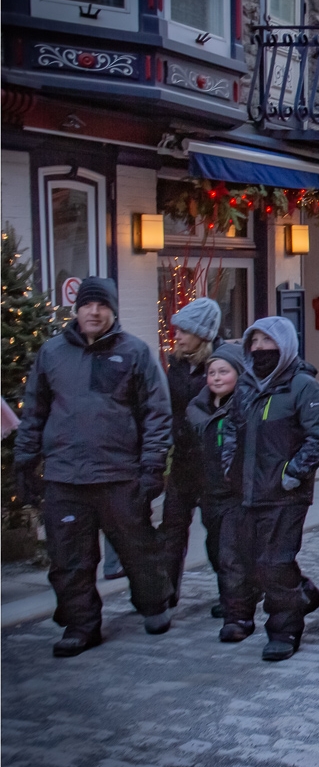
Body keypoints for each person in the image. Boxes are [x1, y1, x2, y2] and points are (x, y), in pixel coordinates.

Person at [13, 277, 175, 656]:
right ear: (77, 309)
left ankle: (153, 604)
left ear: (113, 310)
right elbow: (34, 410)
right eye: (88, 305)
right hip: (65, 477)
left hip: (118, 475)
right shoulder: (52, 354)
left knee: (139, 549)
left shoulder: (134, 353)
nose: (95, 312)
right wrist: (25, 459)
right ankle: (80, 625)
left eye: (102, 305)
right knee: (69, 558)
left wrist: (152, 466)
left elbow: (156, 413)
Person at [221, 317, 319, 661]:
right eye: (253, 342)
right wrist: (231, 464)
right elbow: (232, 428)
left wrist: (294, 472)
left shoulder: (302, 387)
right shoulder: (245, 386)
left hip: (286, 493)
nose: (259, 349)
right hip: (248, 490)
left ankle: (284, 630)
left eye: (266, 342)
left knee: (275, 562)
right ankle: (302, 594)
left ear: (283, 345)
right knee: (253, 562)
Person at [160, 297, 222, 614]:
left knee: (219, 533)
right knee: (171, 530)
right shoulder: (177, 365)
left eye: (184, 330)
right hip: (182, 463)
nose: (178, 335)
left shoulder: (222, 366)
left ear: (201, 333)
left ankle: (233, 593)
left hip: (212, 466)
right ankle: (165, 594)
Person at [186, 344, 245, 631]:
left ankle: (235, 614)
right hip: (208, 492)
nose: (217, 378)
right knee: (213, 548)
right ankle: (230, 596)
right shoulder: (198, 410)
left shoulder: (243, 408)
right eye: (212, 372)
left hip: (234, 494)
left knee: (230, 552)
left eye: (224, 372)